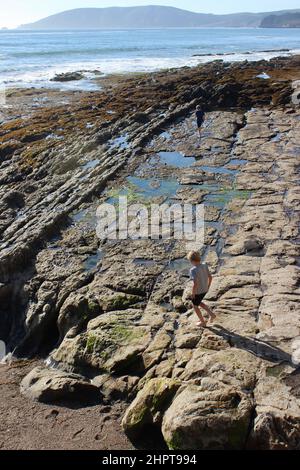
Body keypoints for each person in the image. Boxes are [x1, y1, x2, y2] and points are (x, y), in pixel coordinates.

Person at [187, 250, 215, 327]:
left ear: (191, 260)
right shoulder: (204, 265)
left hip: (198, 291)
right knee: (199, 302)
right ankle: (211, 314)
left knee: (195, 306)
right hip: (205, 289)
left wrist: (193, 294)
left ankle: (203, 322)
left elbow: (195, 284)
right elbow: (210, 277)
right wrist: (208, 286)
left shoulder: (193, 270)